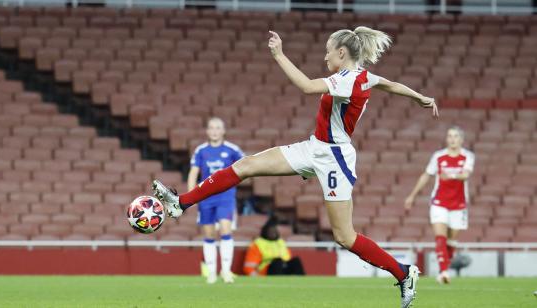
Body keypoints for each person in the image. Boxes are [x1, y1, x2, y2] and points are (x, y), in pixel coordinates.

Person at [153, 27, 439, 308]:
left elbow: (306, 86)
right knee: (246, 165)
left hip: (334, 158)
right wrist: (419, 97)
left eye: (328, 51)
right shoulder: (361, 77)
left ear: (341, 52)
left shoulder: (348, 80)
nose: (325, 56)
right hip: (315, 147)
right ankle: (181, 203)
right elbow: (390, 84)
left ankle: (403, 273)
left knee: (344, 236)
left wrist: (278, 55)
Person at [404, 126, 475, 284]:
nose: (452, 139)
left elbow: (465, 175)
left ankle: (444, 269)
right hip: (439, 202)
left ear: (461, 140)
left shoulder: (467, 156)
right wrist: (412, 196)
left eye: (456, 136)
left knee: (452, 240)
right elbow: (426, 175)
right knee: (440, 236)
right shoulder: (438, 156)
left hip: (459, 204)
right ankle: (444, 272)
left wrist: (450, 174)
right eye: (449, 136)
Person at [188, 117, 244, 284]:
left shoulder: (232, 150)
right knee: (209, 234)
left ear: (223, 131)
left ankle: (226, 271)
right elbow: (193, 174)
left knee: (226, 230)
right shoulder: (201, 151)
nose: (214, 131)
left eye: (218, 128)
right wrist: (192, 195)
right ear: (207, 131)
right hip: (206, 197)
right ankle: (211, 273)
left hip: (226, 196)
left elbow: (246, 166)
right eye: (211, 128)